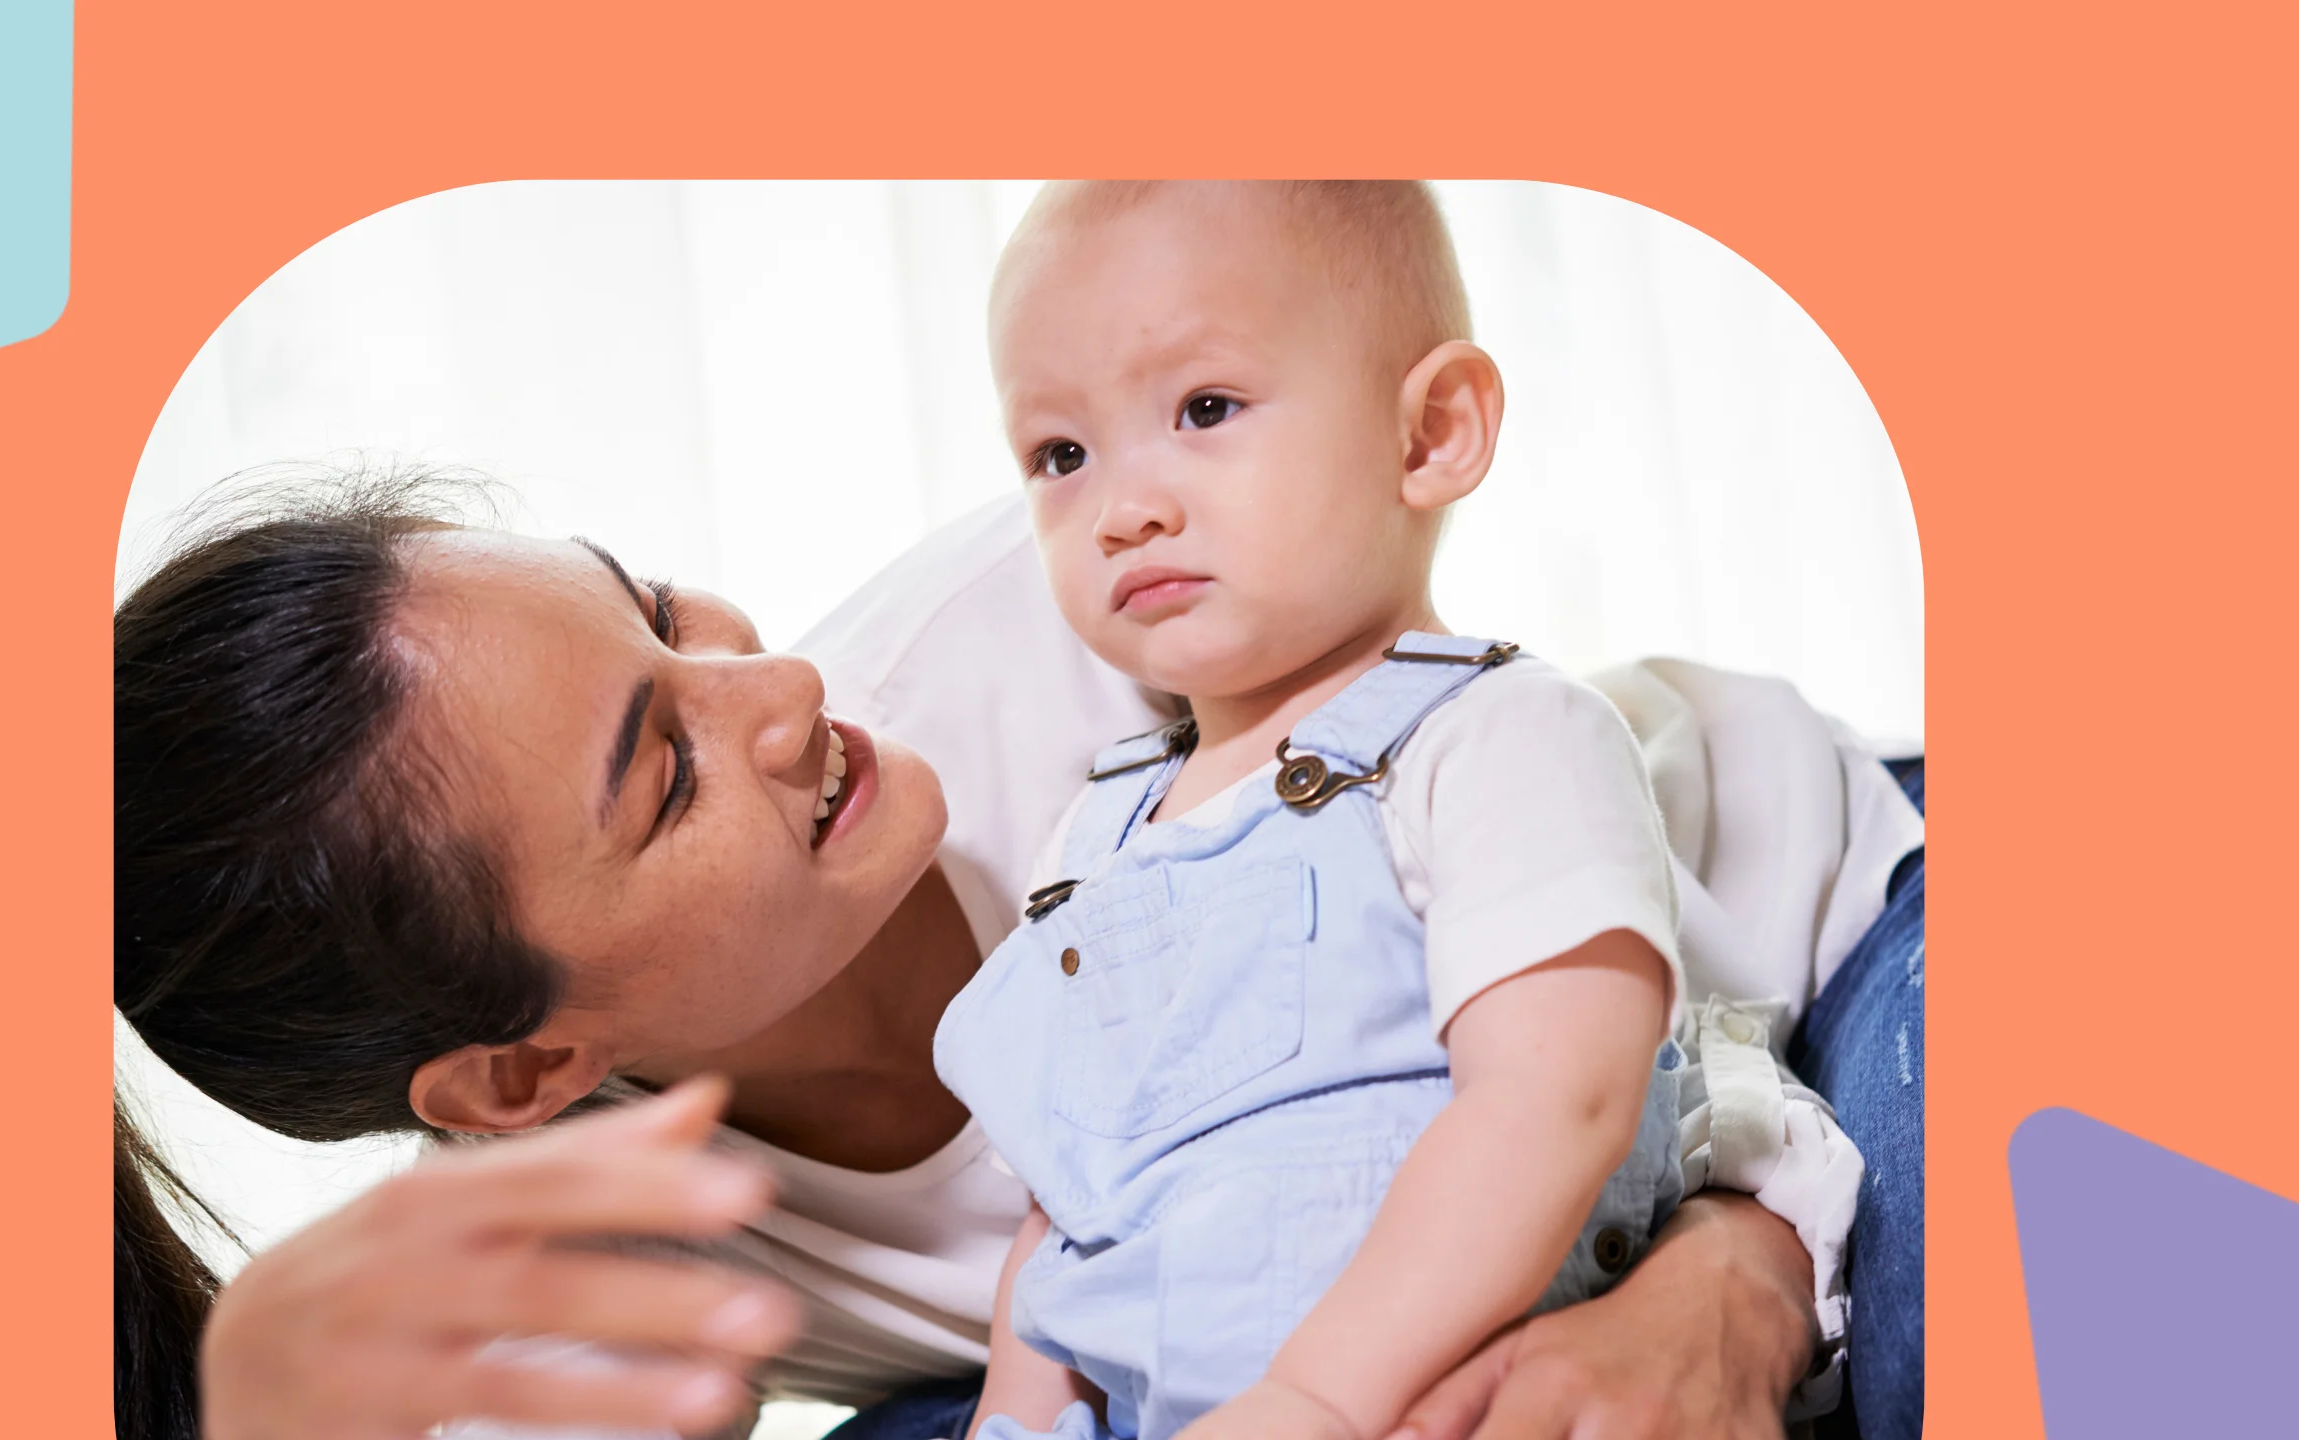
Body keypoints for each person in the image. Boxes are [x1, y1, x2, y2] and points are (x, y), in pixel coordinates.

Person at [115, 466, 1916, 1440]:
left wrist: (1739, 1265)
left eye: (659, 613)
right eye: (664, 775)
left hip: (1791, 936)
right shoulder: (572, 1241)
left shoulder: (1075, 622)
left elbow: (1602, 964)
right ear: (521, 1078)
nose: (780, 692)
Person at [928, 179, 1742, 1440]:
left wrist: (1315, 1400)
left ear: (1430, 434)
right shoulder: (1091, 842)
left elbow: (1557, 1097)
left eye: (1204, 409)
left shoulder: (1495, 737)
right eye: (1060, 455)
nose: (1119, 509)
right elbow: (1070, 1201)